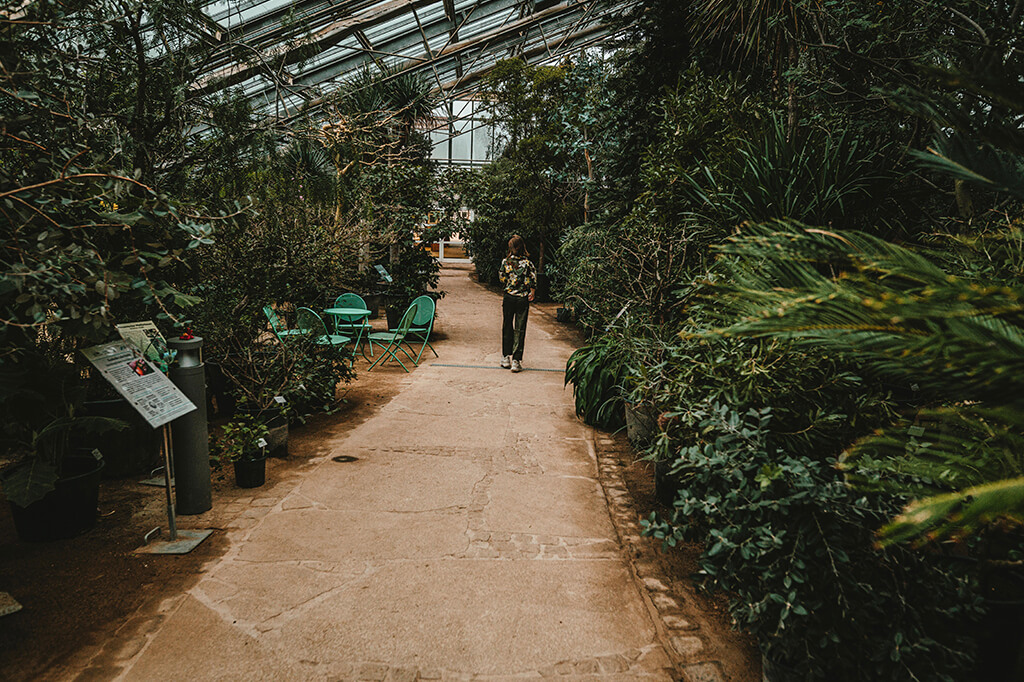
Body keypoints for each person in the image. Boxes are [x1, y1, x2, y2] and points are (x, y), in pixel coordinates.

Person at [498, 235, 537, 373]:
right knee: (520, 329)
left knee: (507, 326)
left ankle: (505, 357)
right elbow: (533, 279)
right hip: (522, 298)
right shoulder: (527, 263)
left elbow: (502, 278)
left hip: (509, 297)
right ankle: (516, 360)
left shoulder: (505, 262)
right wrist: (531, 291)